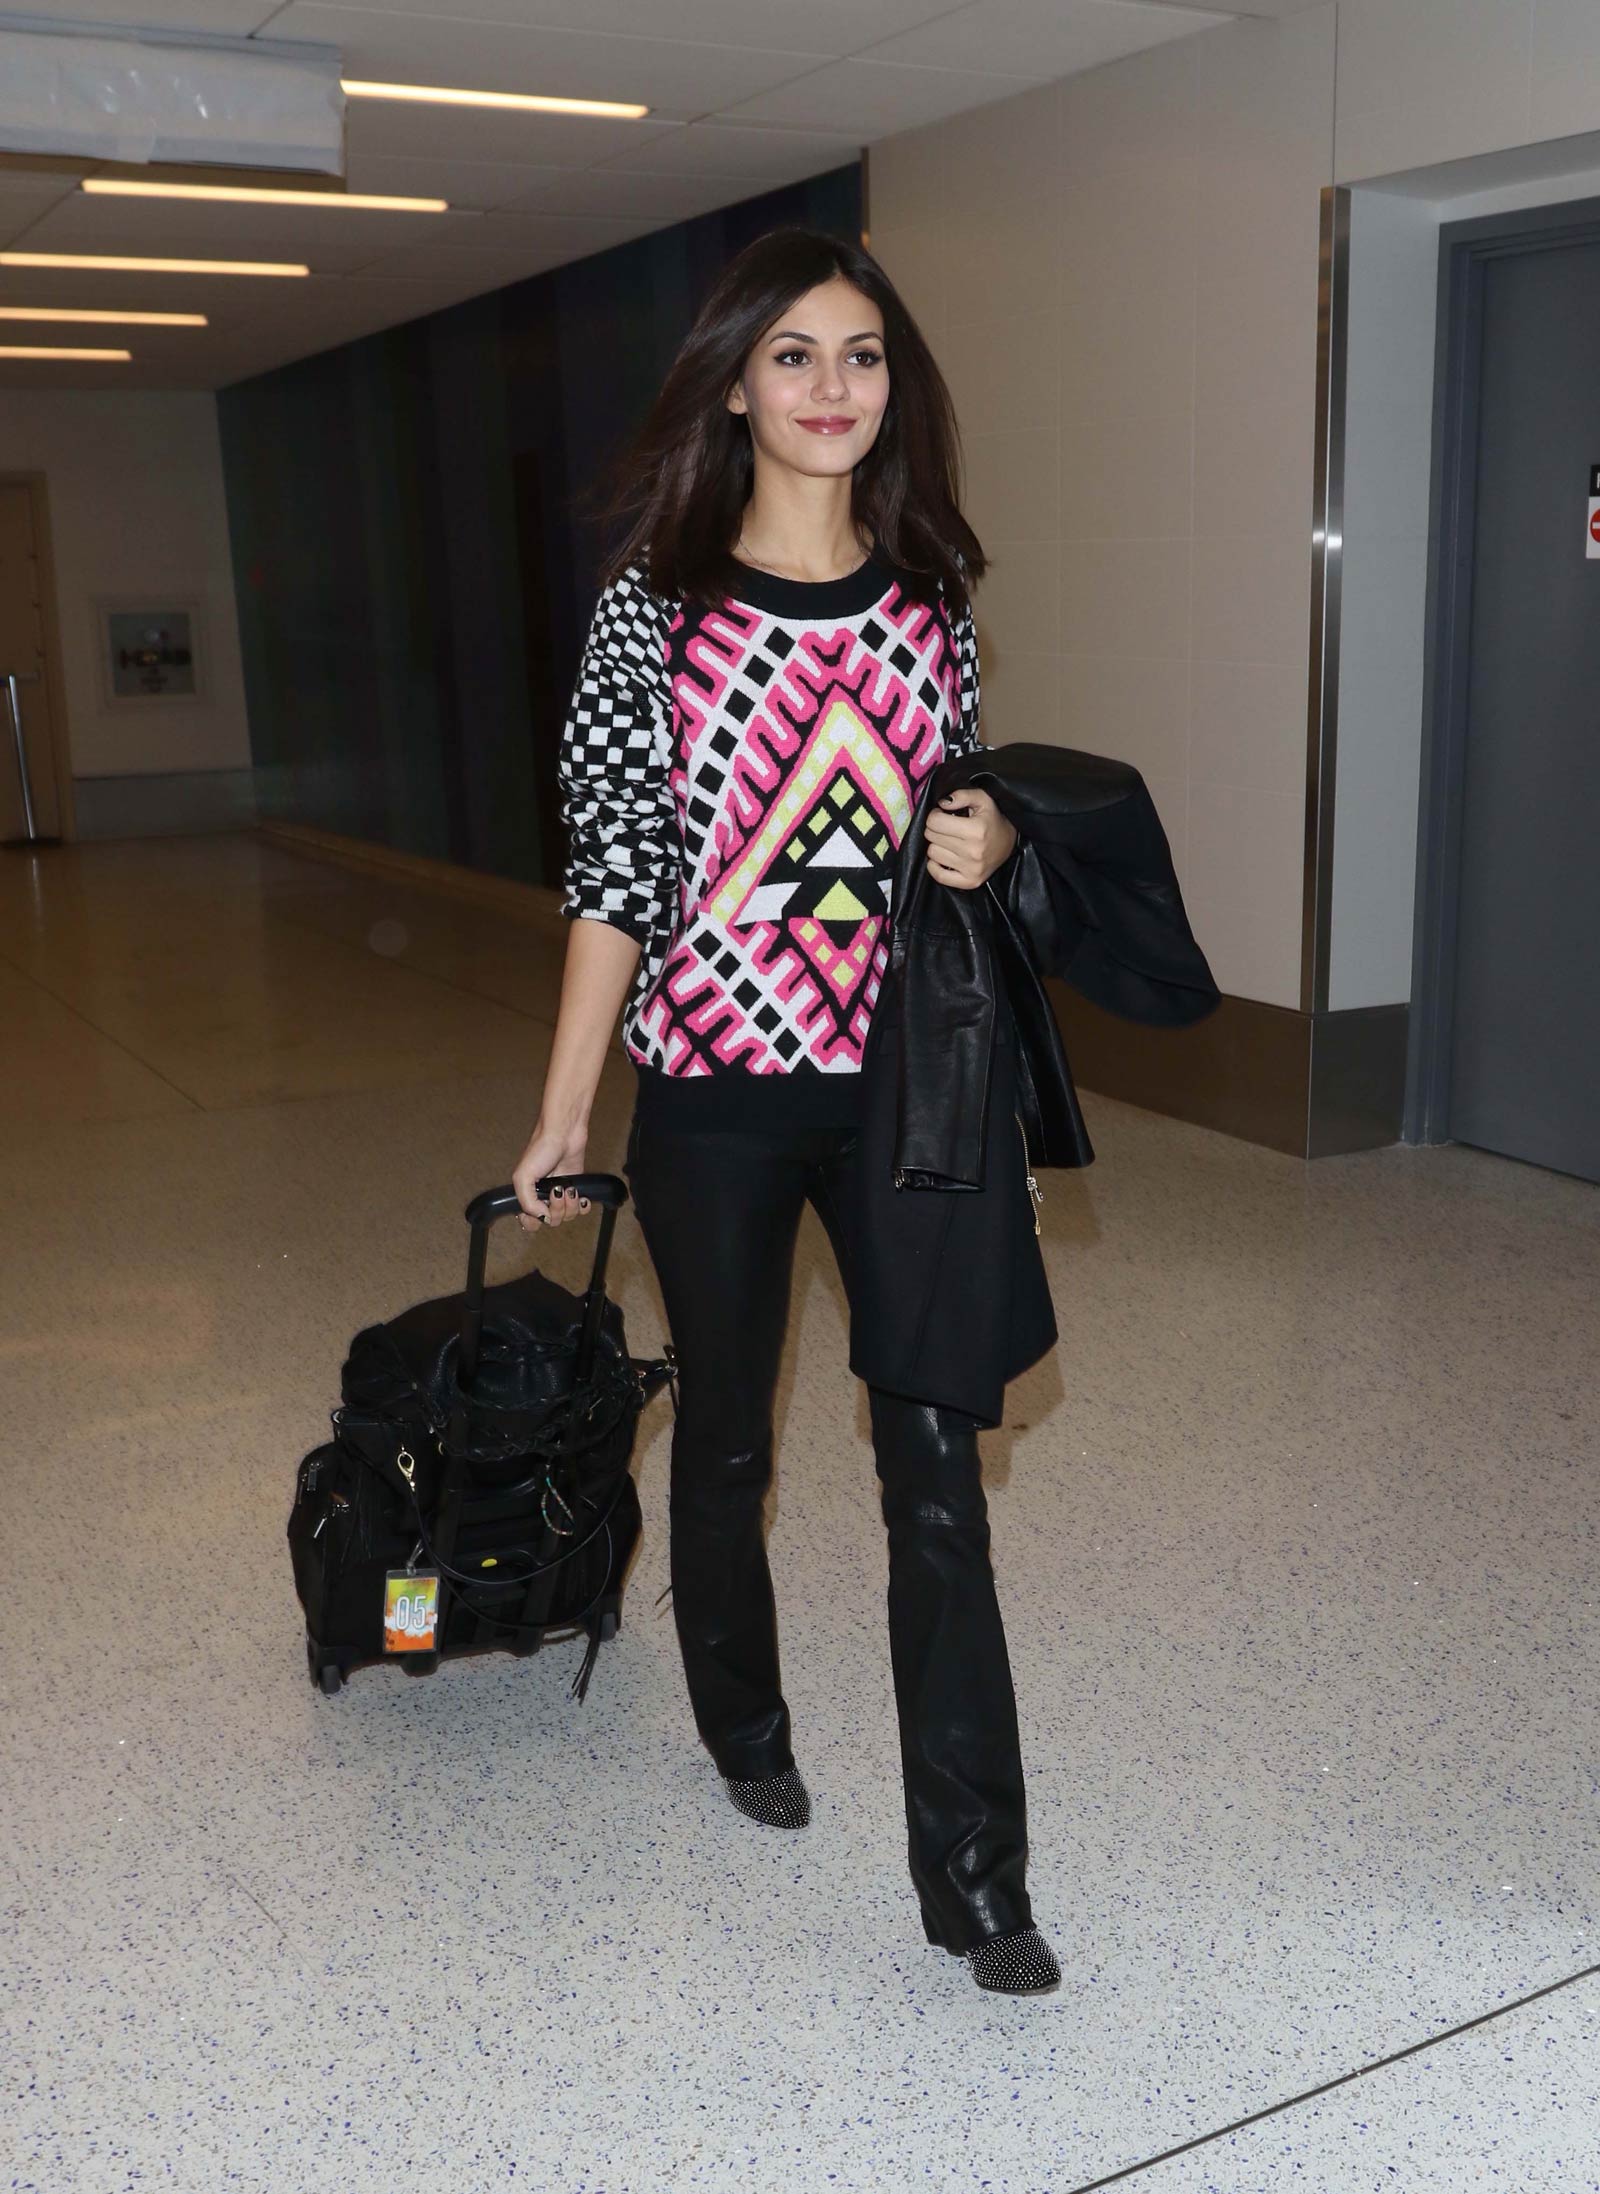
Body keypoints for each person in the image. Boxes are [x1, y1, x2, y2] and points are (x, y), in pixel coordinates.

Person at [511, 226, 1061, 1997]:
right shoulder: (651, 615)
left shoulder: (929, 607)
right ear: (736, 380)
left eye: (867, 357)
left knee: (936, 1479)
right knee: (731, 1440)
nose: (837, 389)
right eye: (801, 356)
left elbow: (951, 833)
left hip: (910, 1091)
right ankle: (744, 1719)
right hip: (721, 1098)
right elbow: (615, 871)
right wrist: (564, 1106)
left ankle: (979, 1881)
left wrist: (981, 842)